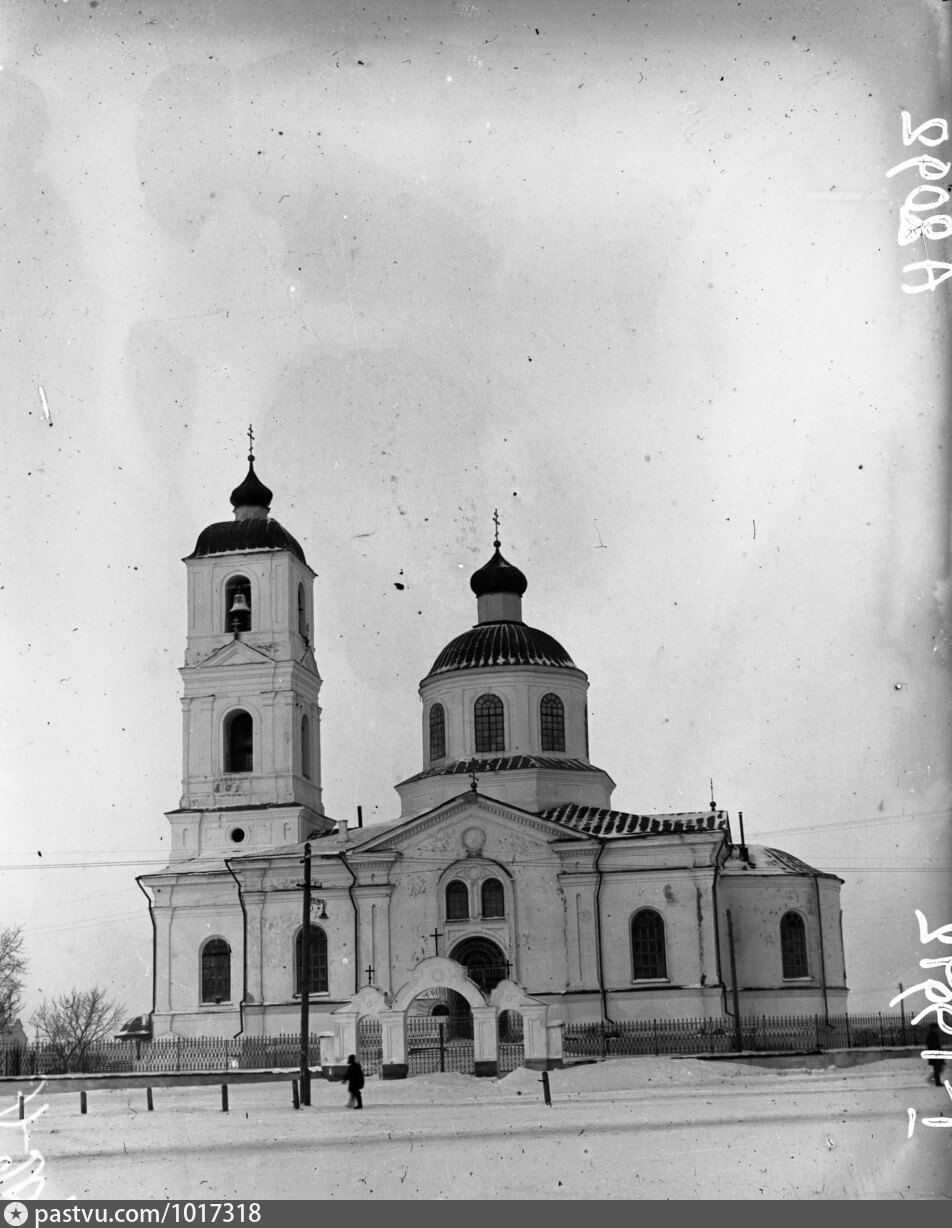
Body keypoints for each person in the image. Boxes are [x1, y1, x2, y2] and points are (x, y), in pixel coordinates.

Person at [925, 1020, 946, 1087]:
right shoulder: (933, 1035)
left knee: (938, 1068)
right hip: (935, 1054)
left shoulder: (931, 1035)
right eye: (936, 1028)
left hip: (934, 1054)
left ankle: (936, 1081)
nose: (937, 1029)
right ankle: (936, 1081)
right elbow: (935, 1045)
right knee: (938, 1068)